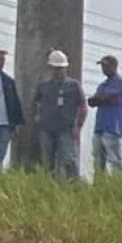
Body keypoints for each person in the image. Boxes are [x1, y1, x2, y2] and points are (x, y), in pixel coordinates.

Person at [33, 50, 87, 178]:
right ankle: (49, 186)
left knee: (69, 160)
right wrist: (38, 115)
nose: (57, 71)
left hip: (66, 129)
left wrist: (79, 127)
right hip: (47, 129)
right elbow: (36, 102)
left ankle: (73, 186)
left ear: (65, 68)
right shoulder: (44, 86)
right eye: (55, 68)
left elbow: (83, 106)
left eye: (60, 68)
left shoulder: (74, 86)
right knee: (47, 161)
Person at [87, 55, 122, 176]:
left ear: (114, 67)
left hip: (112, 127)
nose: (103, 69)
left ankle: (118, 185)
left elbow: (102, 97)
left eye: (106, 66)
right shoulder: (102, 85)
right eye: (102, 66)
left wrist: (99, 99)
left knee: (114, 159)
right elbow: (92, 102)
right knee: (98, 159)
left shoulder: (120, 82)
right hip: (100, 126)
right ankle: (99, 185)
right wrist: (98, 99)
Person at [0, 48, 23, 169]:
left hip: (5, 124)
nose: (2, 62)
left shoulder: (8, 81)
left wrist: (18, 123)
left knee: (1, 152)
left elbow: (15, 102)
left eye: (3, 59)